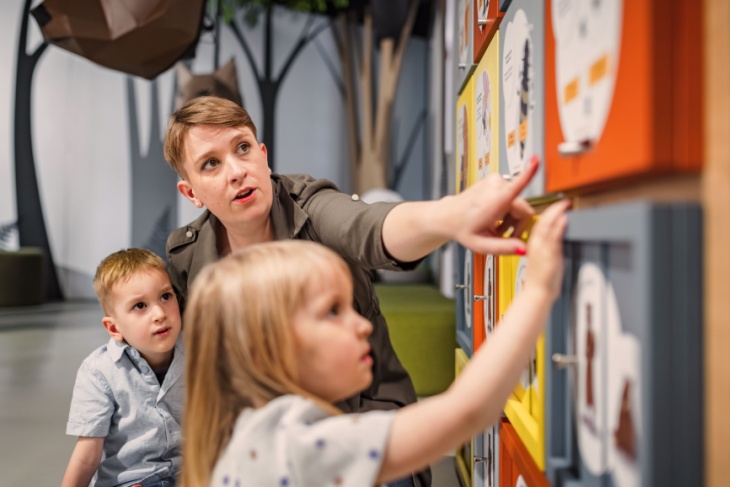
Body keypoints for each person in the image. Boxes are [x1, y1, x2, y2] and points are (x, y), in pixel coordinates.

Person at [163, 96, 537, 486]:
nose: (236, 171)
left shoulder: (308, 205)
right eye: (211, 163)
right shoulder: (188, 255)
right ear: (191, 193)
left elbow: (368, 226)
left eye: (242, 148)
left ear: (263, 154)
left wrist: (451, 215)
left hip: (360, 416)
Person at [181, 198, 569, 486]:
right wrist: (537, 290)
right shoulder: (295, 446)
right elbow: (467, 411)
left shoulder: (253, 434)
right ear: (267, 348)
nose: (363, 326)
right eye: (333, 311)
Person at [61, 249, 184, 487]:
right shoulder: (98, 373)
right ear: (114, 328)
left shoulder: (198, 354)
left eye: (165, 296)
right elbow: (87, 457)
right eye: (140, 305)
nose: (159, 313)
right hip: (134, 481)